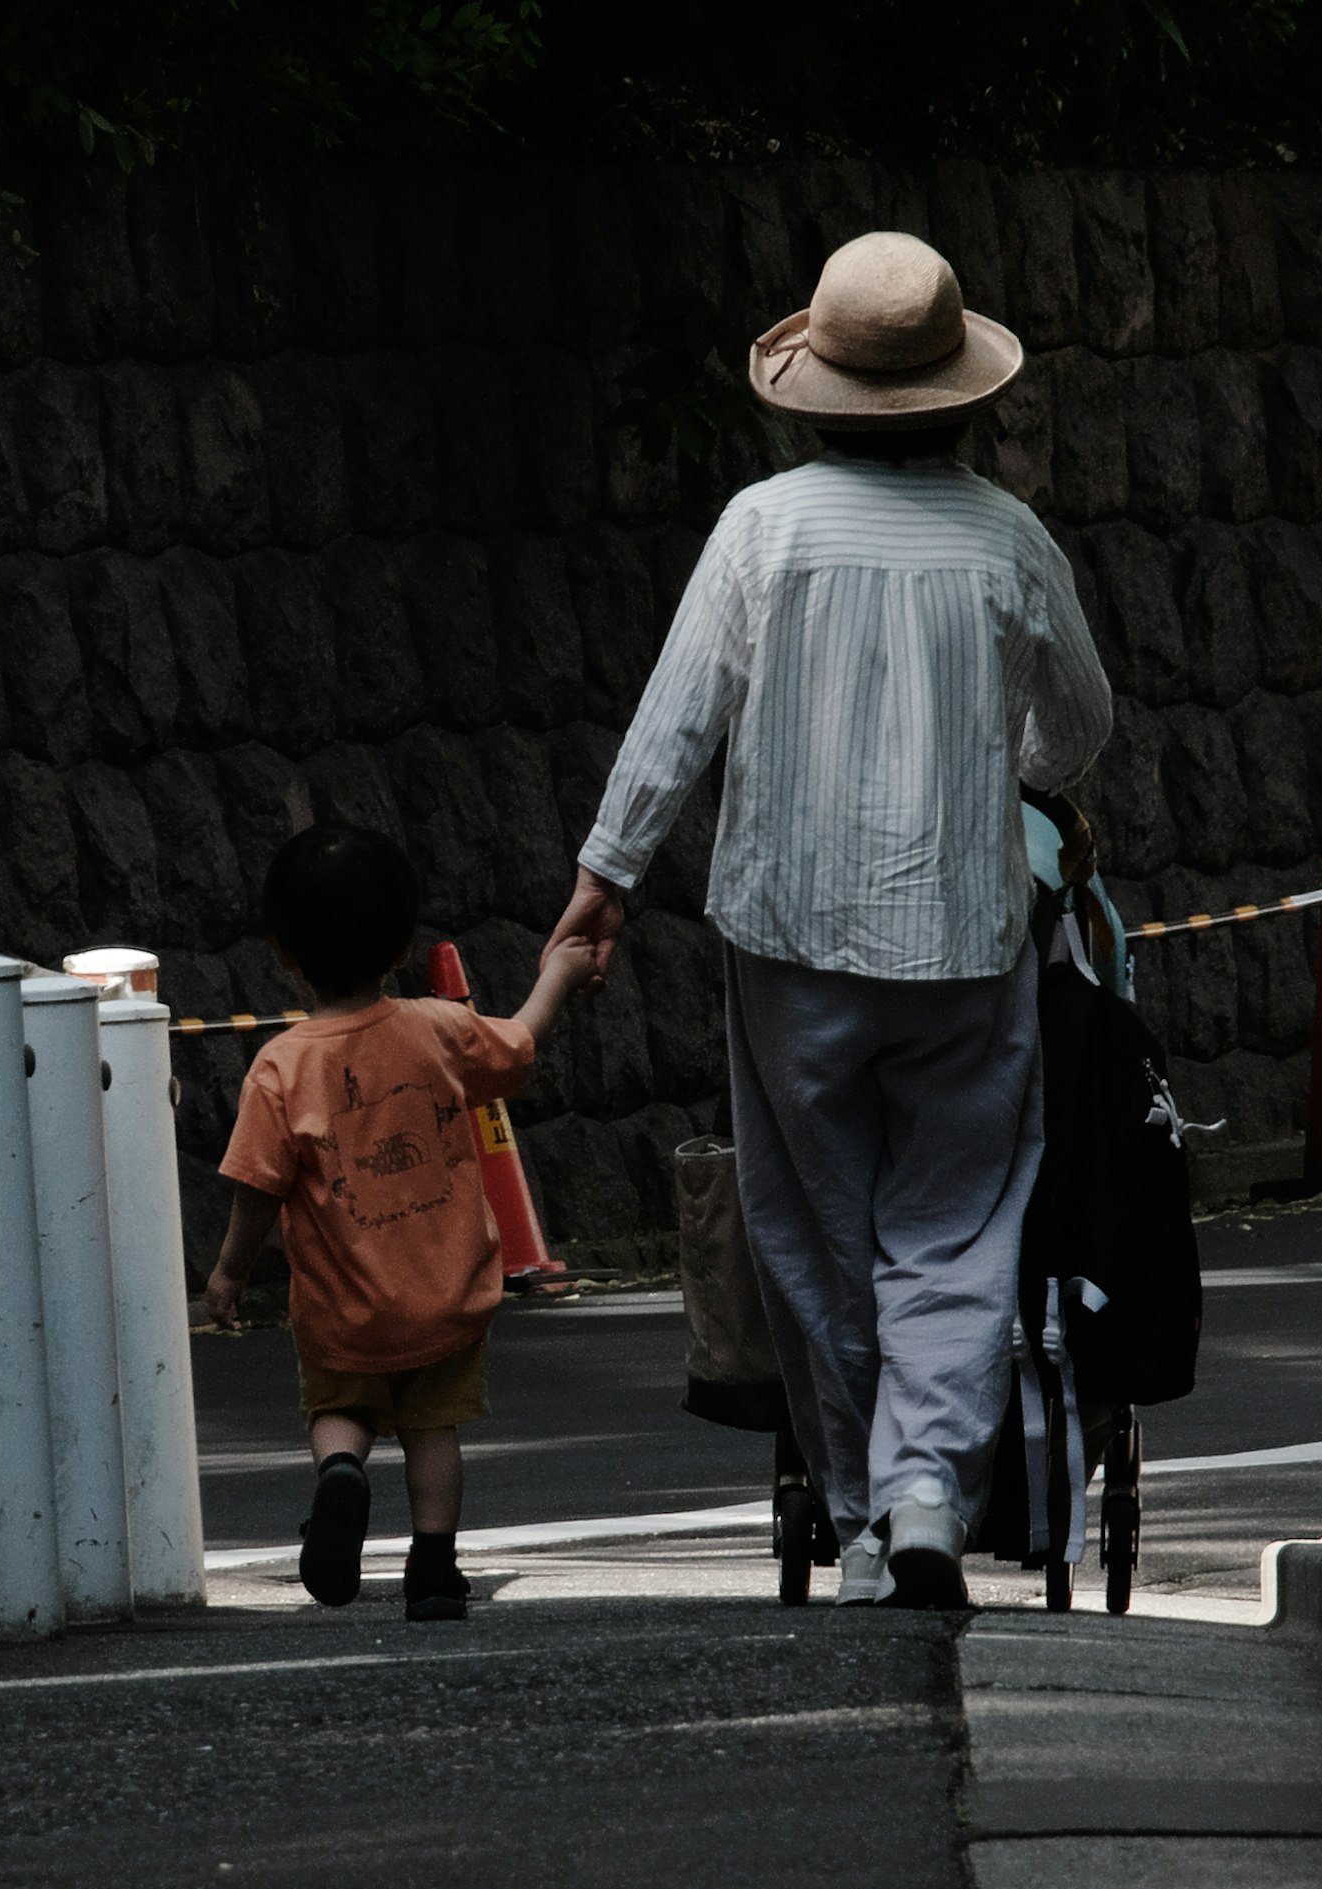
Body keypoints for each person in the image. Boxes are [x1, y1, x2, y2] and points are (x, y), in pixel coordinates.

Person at [547, 231, 1116, 1609]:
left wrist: (605, 880)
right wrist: (1016, 774)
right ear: (961, 391)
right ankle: (928, 1493)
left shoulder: (764, 527)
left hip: (789, 941)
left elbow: (677, 719)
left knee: (814, 1225)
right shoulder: (1006, 537)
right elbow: (1080, 724)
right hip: (966, 942)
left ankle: (863, 1514)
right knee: (962, 1222)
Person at [204, 825, 605, 1621]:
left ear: (284, 952)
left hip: (344, 1310)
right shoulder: (438, 1029)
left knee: (338, 1410)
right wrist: (559, 972)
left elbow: (256, 1189)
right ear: (399, 943)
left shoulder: (281, 1066)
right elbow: (519, 1045)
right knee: (433, 1430)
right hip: (443, 1299)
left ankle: (341, 1476)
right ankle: (432, 1567)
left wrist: (229, 1274)